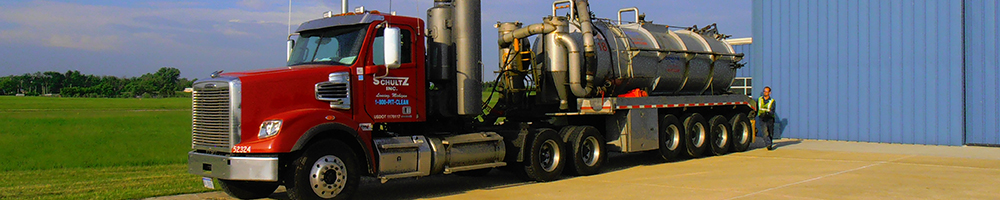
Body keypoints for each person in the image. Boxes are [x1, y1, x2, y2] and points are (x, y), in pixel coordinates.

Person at [758, 86, 776, 150]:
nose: (765, 93)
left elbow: (772, 110)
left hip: (769, 118)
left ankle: (770, 142)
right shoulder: (760, 99)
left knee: (770, 132)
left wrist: (767, 113)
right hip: (762, 118)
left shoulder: (772, 101)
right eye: (764, 91)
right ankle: (768, 144)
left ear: (769, 93)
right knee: (765, 132)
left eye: (766, 91)